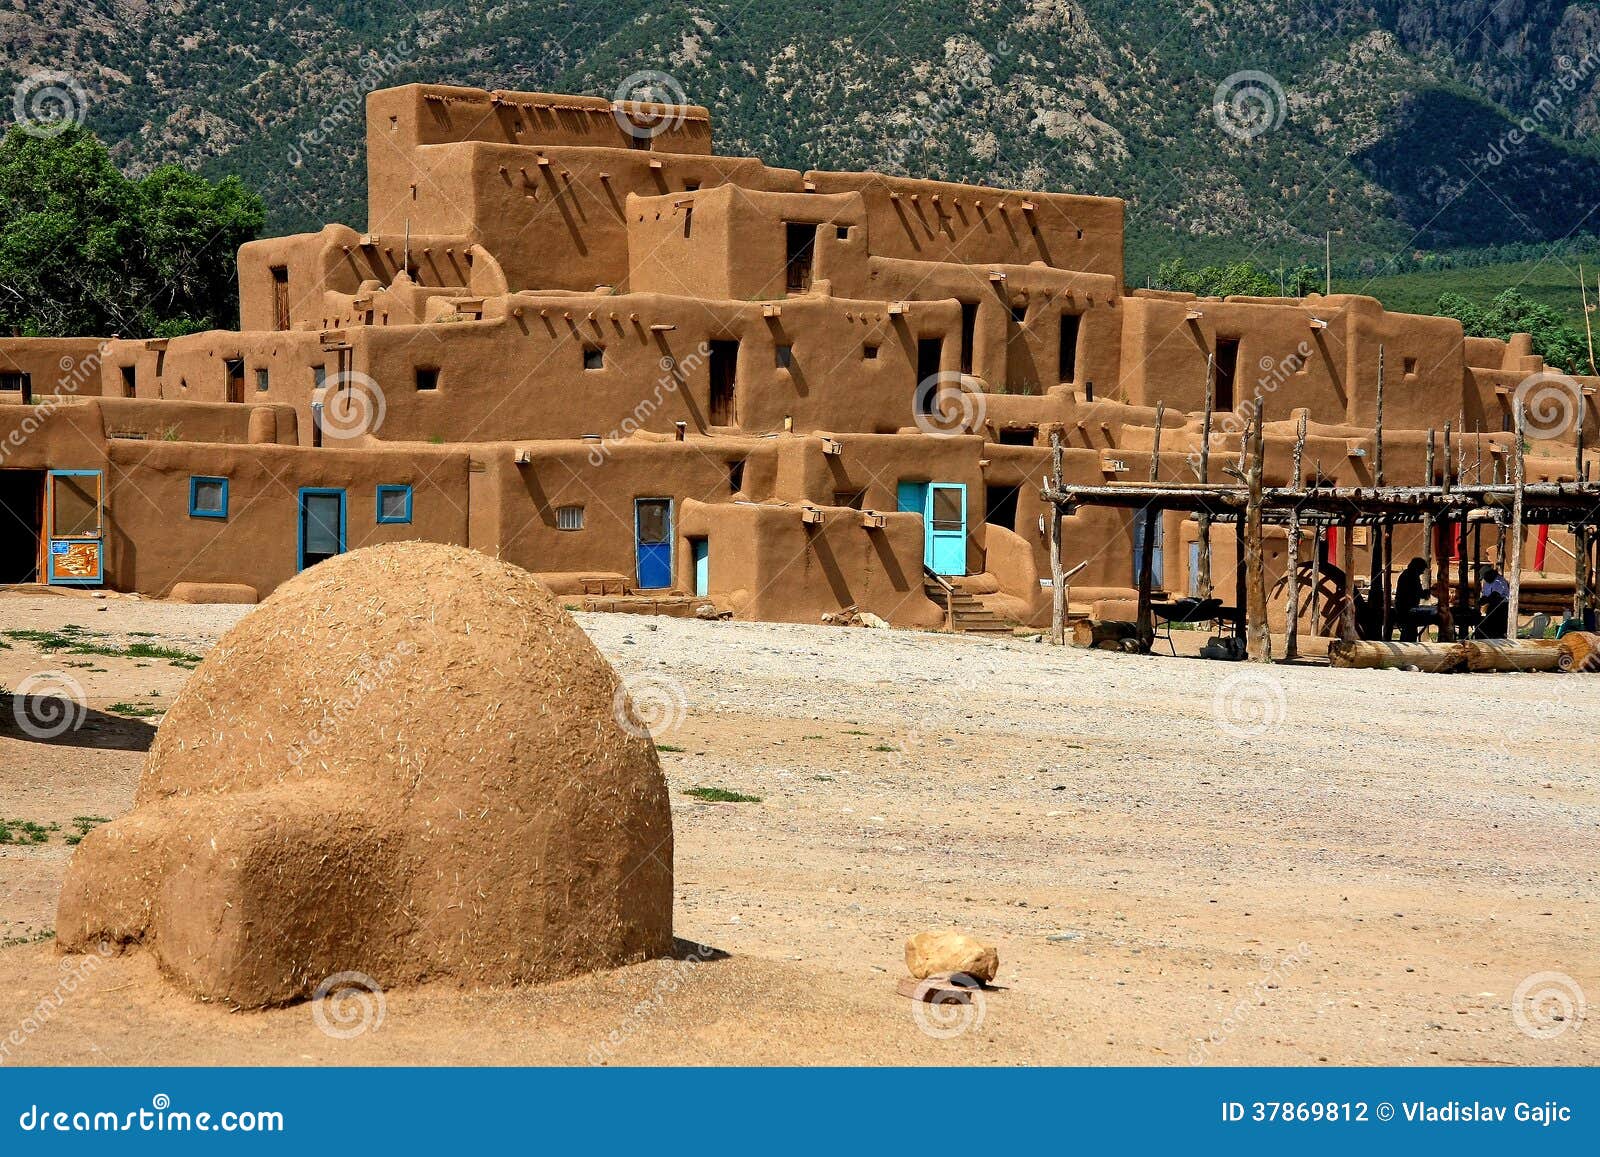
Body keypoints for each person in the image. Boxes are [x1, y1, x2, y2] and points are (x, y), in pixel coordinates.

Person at [1394, 556, 1441, 642]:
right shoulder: (1410, 576)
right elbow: (1420, 594)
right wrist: (1431, 591)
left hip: (1405, 609)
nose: (1422, 572)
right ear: (1417, 567)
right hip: (1407, 610)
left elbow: (1419, 593)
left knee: (1410, 632)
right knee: (1437, 612)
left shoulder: (1407, 574)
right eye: (1422, 569)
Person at [1477, 565, 1509, 638]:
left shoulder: (1500, 581)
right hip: (1491, 606)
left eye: (1485, 577)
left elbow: (1495, 596)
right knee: (1484, 627)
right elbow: (1485, 595)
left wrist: (1485, 600)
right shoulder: (1486, 583)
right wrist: (1481, 601)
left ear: (1490, 574)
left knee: (1496, 630)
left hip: (1501, 608)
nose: (1485, 579)